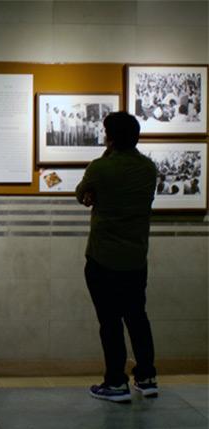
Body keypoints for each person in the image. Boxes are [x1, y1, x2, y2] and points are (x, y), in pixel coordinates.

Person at [75, 111, 158, 403]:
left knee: (110, 322)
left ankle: (116, 382)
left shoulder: (101, 168)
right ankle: (147, 377)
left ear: (110, 137)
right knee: (137, 317)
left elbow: (80, 194)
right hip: (136, 258)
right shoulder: (149, 169)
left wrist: (105, 160)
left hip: (103, 258)